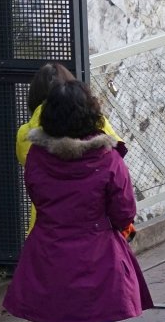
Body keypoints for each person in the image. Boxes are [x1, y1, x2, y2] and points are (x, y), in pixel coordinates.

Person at [4, 77, 152, 322]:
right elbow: (124, 212)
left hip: (51, 255)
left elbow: (36, 195)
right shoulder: (109, 161)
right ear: (92, 116)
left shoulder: (37, 157)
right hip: (99, 256)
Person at [17, 63, 123, 230]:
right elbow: (116, 150)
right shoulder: (96, 121)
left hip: (47, 229)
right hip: (95, 229)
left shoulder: (25, 134)